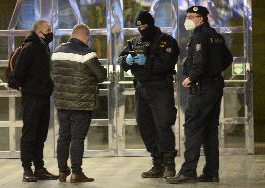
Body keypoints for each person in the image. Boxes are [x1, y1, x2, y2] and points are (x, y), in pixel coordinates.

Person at [167, 6, 232, 184]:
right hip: (214, 87)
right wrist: (214, 71)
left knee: (193, 129)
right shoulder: (216, 36)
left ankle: (188, 172)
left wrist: (191, 78)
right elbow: (228, 58)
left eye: (191, 16)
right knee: (210, 131)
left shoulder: (199, 37)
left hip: (201, 89)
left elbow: (200, 61)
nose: (187, 19)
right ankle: (211, 172)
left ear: (201, 18)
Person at [118, 10, 180, 179]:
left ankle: (169, 164)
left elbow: (167, 62)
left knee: (162, 125)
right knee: (145, 126)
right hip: (141, 88)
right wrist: (126, 61)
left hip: (160, 88)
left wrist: (147, 62)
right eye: (139, 27)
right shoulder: (135, 41)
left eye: (144, 26)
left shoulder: (166, 41)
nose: (141, 29)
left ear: (151, 24)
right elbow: (121, 58)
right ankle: (157, 163)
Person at [51, 24, 107, 183]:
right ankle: (76, 173)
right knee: (77, 139)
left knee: (63, 137)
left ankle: (62, 171)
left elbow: (53, 74)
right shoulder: (87, 53)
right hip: (81, 104)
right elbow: (101, 75)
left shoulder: (57, 52)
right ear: (86, 36)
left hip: (62, 102)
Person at [13, 20, 57, 182]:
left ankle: (39, 168)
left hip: (44, 97)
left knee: (40, 134)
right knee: (30, 134)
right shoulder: (29, 48)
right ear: (39, 32)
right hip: (32, 97)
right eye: (48, 29)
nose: (50, 32)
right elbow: (18, 74)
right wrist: (28, 88)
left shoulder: (44, 47)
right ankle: (27, 169)